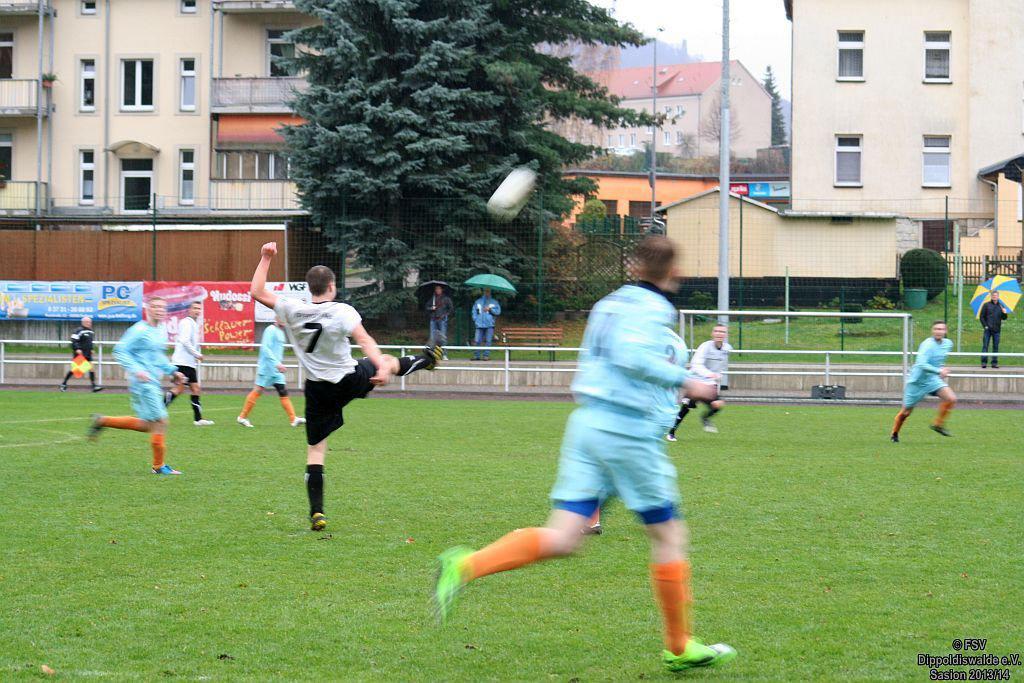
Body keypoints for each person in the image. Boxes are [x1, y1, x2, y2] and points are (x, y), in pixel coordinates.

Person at [434, 236, 736, 672]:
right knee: (668, 536)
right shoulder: (654, 308)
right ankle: (678, 646)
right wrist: (688, 382)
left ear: (634, 267)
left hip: (588, 424)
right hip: (626, 431)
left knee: (563, 538)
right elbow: (632, 357)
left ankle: (464, 565)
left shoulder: (609, 303)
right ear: (674, 272)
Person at [250, 242, 443, 531]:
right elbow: (364, 340)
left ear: (309, 288)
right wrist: (380, 367)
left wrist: (266, 257)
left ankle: (317, 512)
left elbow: (256, 291)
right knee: (388, 361)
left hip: (317, 390)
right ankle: (427, 360)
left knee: (316, 451)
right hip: (347, 379)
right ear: (332, 286)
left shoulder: (292, 309)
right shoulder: (342, 311)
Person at [87, 296, 185, 475]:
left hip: (152, 381)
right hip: (143, 384)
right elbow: (119, 351)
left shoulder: (160, 330)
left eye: (162, 307)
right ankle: (158, 466)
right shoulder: (139, 329)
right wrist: (136, 370)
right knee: (161, 421)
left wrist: (173, 371)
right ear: (148, 309)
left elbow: (158, 357)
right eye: (155, 306)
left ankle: (103, 421)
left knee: (147, 425)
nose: (159, 310)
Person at [891, 320, 957, 442]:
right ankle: (894, 433)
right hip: (917, 382)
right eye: (936, 329)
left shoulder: (948, 343)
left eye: (941, 329)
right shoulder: (927, 345)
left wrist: (941, 368)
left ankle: (938, 424)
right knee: (906, 413)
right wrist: (939, 371)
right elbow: (921, 364)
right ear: (932, 331)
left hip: (932, 379)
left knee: (951, 398)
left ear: (945, 331)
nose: (938, 331)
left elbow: (939, 359)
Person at [237, 318, 305, 428]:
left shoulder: (281, 332)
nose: (284, 320)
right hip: (267, 367)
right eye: (282, 318)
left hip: (276, 370)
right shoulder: (270, 330)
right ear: (276, 318)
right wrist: (276, 363)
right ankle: (242, 417)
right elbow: (265, 348)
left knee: (282, 391)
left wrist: (278, 364)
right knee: (258, 390)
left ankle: (293, 419)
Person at [667, 323, 731, 440]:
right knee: (686, 408)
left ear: (726, 334)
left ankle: (705, 418)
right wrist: (709, 374)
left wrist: (717, 376)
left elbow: (720, 366)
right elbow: (695, 364)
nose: (719, 334)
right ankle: (671, 433)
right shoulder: (705, 347)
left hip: (709, 384)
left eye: (722, 332)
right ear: (712, 334)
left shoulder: (727, 348)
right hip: (695, 382)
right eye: (716, 331)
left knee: (718, 404)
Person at [165, 301, 214, 426]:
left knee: (195, 389)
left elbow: (191, 343)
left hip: (189, 363)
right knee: (179, 389)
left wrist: (195, 355)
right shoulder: (186, 322)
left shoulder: (193, 324)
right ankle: (157, 412)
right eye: (195, 308)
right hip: (182, 362)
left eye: (199, 308)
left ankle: (198, 419)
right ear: (189, 310)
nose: (197, 311)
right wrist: (197, 354)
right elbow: (185, 341)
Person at [60, 316, 103, 393]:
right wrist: (77, 349)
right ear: (83, 322)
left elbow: (89, 342)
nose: (89, 323)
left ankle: (94, 386)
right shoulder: (78, 331)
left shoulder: (91, 331)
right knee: (75, 370)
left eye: (90, 322)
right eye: (87, 322)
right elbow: (74, 341)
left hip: (88, 354)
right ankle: (64, 384)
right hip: (80, 354)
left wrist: (91, 349)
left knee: (91, 368)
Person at [979, 291, 1008, 369]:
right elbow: (981, 317)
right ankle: (984, 362)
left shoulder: (1001, 306)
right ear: (991, 296)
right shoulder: (986, 305)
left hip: (997, 330)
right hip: (987, 330)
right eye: (993, 295)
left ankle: (994, 363)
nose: (995, 297)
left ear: (998, 297)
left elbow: (1004, 318)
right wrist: (985, 326)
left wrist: (1005, 313)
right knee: (985, 346)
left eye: (996, 295)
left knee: (995, 346)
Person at [471, 288, 501, 361]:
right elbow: (474, 311)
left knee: (488, 341)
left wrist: (490, 309)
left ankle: (486, 356)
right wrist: (475, 319)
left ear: (490, 292)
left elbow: (498, 312)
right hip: (479, 324)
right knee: (477, 340)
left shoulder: (494, 302)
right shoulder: (478, 301)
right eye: (485, 291)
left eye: (488, 291)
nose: (487, 293)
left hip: (489, 324)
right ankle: (476, 355)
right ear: (483, 292)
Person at [427, 285, 453, 360]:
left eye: (439, 289)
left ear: (442, 290)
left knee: (443, 337)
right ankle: (433, 354)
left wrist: (445, 315)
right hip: (433, 319)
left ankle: (444, 354)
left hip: (442, 320)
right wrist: (431, 308)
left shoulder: (446, 299)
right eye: (436, 289)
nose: (437, 290)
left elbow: (451, 309)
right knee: (432, 337)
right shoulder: (432, 299)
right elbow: (427, 307)